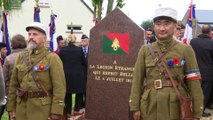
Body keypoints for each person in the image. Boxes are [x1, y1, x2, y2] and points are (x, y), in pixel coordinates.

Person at [129, 7, 203, 120]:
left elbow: (194, 82)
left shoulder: (185, 50)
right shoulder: (145, 50)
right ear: (154, 26)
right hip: (149, 106)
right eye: (158, 24)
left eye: (167, 23)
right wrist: (135, 107)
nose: (162, 28)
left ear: (175, 25)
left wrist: (197, 112)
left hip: (175, 107)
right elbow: (137, 80)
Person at [6, 22, 66, 120]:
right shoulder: (21, 56)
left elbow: (59, 87)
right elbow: (13, 84)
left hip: (42, 110)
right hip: (21, 109)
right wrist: (11, 107)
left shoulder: (52, 58)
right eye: (29, 34)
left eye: (35, 34)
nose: (31, 37)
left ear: (44, 38)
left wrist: (56, 111)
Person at [59, 33, 86, 118]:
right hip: (78, 74)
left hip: (66, 74)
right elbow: (84, 62)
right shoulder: (79, 50)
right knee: (79, 92)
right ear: (74, 40)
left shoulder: (62, 50)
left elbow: (60, 62)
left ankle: (68, 112)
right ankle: (77, 110)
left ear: (68, 40)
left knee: (67, 93)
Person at [190, 24, 213, 117]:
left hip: (194, 71)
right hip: (208, 72)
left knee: (196, 91)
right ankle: (200, 111)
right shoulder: (211, 43)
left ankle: (201, 107)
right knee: (204, 93)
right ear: (210, 32)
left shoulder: (193, 41)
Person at [81, 34, 89, 109]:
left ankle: (87, 102)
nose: (83, 42)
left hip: (89, 73)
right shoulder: (78, 50)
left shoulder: (92, 49)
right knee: (81, 88)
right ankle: (81, 103)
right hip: (81, 73)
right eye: (82, 40)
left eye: (85, 40)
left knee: (88, 88)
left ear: (88, 41)